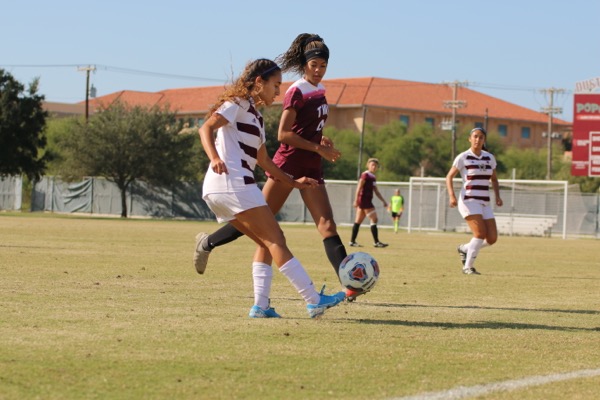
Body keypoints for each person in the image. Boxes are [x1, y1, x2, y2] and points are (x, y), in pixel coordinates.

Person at [194, 33, 358, 300]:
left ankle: (350, 286)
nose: (318, 70)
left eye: (323, 66)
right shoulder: (292, 92)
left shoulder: (269, 112)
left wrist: (320, 140)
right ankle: (209, 242)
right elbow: (284, 135)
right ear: (304, 65)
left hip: (309, 165)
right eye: (314, 64)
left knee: (321, 226)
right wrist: (214, 157)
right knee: (264, 230)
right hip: (288, 162)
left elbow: (282, 145)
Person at [445, 127, 503, 275]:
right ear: (469, 139)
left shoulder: (489, 158)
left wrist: (497, 196)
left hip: (484, 201)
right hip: (468, 200)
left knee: (492, 238)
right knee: (480, 233)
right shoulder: (463, 157)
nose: (478, 139)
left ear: (484, 140)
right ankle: (468, 267)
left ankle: (465, 248)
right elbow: (449, 177)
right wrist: (451, 195)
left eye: (481, 137)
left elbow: (494, 179)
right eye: (475, 136)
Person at [349, 158, 389, 248]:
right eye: (372, 165)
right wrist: (355, 200)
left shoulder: (373, 177)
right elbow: (359, 188)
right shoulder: (365, 175)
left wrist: (384, 201)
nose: (374, 167)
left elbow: (376, 191)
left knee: (358, 221)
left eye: (376, 165)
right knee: (374, 219)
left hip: (366, 201)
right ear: (368, 165)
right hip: (364, 200)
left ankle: (352, 241)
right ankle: (376, 242)